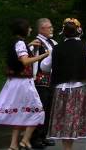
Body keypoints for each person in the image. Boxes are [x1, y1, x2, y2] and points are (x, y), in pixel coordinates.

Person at [40, 18, 86, 150]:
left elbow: (44, 67)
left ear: (63, 32)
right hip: (82, 88)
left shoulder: (56, 48)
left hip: (62, 90)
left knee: (65, 121)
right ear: (79, 31)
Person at [0, 18, 49, 150]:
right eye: (29, 28)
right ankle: (24, 140)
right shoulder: (20, 43)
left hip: (14, 82)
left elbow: (18, 53)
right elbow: (25, 61)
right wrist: (44, 55)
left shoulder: (15, 42)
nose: (31, 29)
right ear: (23, 29)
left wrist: (29, 44)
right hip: (23, 83)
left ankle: (13, 145)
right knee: (38, 111)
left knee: (19, 113)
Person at [30, 18, 57, 148]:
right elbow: (31, 60)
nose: (52, 29)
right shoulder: (36, 43)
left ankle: (43, 135)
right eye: (49, 27)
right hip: (40, 80)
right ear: (41, 29)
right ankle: (35, 138)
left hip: (51, 80)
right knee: (40, 109)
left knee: (48, 109)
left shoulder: (51, 42)